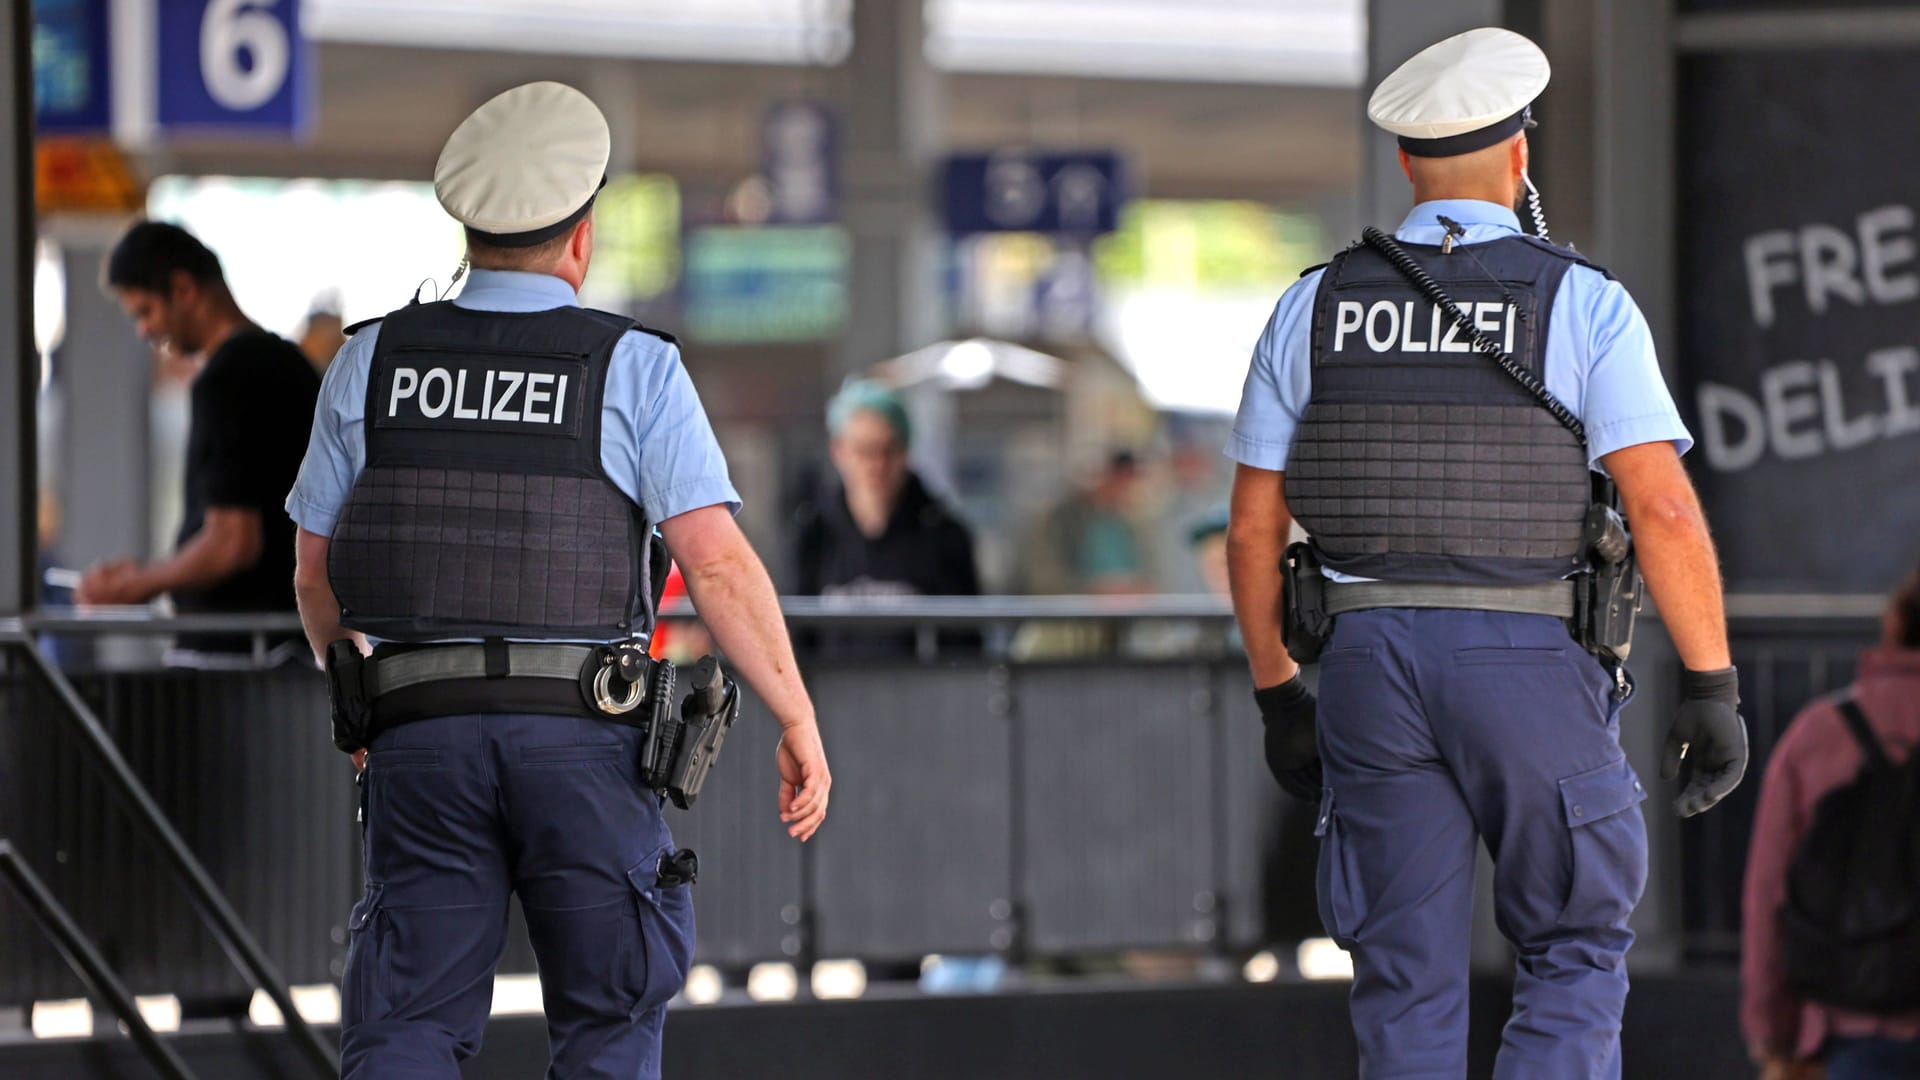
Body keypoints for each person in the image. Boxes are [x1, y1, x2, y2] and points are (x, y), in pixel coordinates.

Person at [1224, 28, 1747, 1078]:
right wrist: (1711, 683)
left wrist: (1282, 694)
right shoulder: (1583, 301)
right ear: (1521, 155)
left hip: (1367, 663)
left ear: (1410, 164)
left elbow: (1251, 527)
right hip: (1530, 659)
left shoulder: (1312, 304)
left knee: (1401, 972)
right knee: (1571, 945)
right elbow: (1665, 512)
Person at [286, 82, 831, 1079]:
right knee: (609, 1023)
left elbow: (314, 571)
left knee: (404, 1025)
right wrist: (795, 717)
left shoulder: (368, 362)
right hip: (584, 740)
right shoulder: (634, 367)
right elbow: (715, 562)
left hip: (422, 737)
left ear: (469, 232)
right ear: (580, 236)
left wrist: (363, 701)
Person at [79, 221, 319, 662]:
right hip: (293, 650)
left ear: (183, 289)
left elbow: (233, 541)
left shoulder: (227, 376)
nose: (144, 331)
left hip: (239, 660)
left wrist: (137, 586)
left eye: (145, 311)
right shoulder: (291, 365)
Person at [1742, 563, 1920, 1080]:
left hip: (1852, 1022)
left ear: (1895, 625)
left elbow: (1770, 893)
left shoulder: (1822, 734)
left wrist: (1773, 1032)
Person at [791, 379, 980, 658]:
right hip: (832, 694)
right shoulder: (814, 533)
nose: (876, 465)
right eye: (864, 451)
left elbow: (965, 644)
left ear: (905, 452)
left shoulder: (943, 534)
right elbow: (793, 638)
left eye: (888, 450)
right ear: (839, 452)